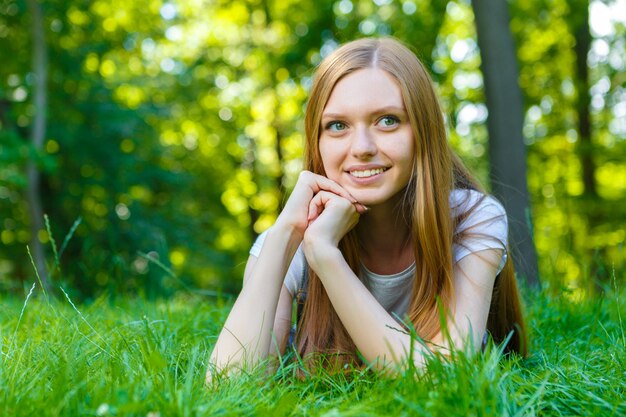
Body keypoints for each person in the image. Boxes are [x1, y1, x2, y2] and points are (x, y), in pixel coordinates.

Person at [207, 37, 527, 379]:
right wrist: (287, 234)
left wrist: (326, 256)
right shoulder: (293, 239)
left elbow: (443, 377)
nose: (361, 148)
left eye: (387, 120)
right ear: (317, 141)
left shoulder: (470, 220)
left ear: (424, 131)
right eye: (337, 126)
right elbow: (229, 386)